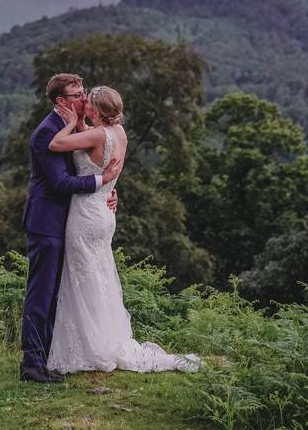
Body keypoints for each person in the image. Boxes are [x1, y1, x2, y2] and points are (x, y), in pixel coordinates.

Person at [46, 85, 200, 375]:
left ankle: (91, 347)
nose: (84, 105)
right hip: (105, 209)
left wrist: (68, 123)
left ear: (97, 110)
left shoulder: (95, 134)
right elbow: (92, 147)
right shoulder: (119, 134)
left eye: (88, 102)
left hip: (85, 214)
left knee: (83, 279)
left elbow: (56, 145)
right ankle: (105, 339)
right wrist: (80, 124)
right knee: (100, 275)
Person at [20, 73, 120, 383]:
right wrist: (100, 182)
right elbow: (62, 183)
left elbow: (93, 155)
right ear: (62, 101)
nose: (84, 99)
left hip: (72, 222)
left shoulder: (78, 128)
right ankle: (32, 366)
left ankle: (47, 358)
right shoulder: (45, 134)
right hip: (47, 223)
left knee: (56, 295)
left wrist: (107, 192)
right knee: (41, 295)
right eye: (78, 95)